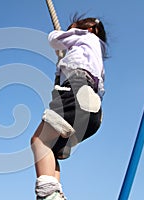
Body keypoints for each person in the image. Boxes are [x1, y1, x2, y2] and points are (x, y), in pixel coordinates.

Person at [30, 15, 108, 200]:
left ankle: (48, 195)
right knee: (51, 152)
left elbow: (55, 39)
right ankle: (56, 194)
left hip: (75, 94)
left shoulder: (84, 36)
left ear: (87, 29)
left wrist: (64, 33)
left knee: (39, 141)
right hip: (93, 110)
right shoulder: (97, 53)